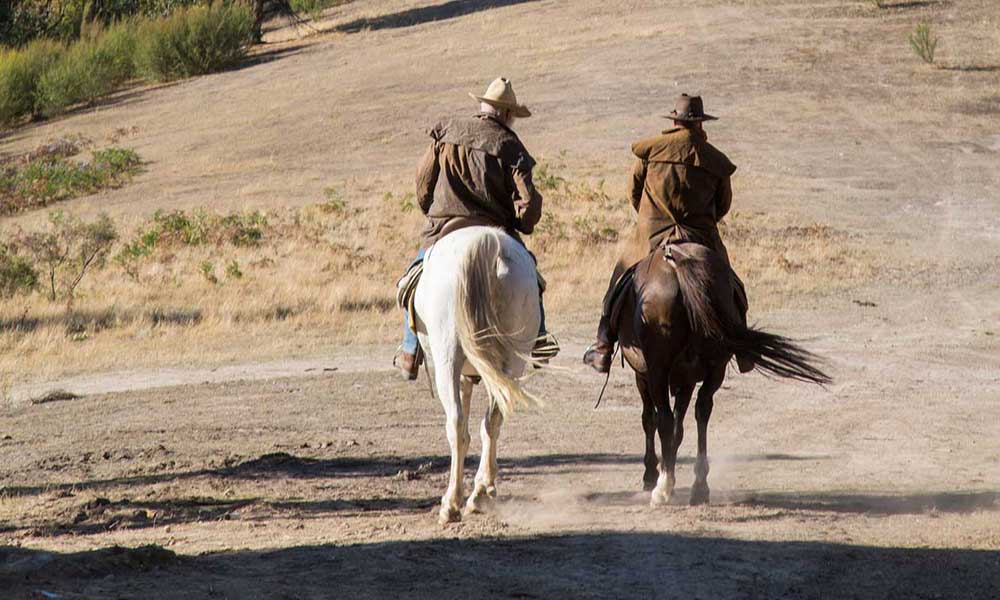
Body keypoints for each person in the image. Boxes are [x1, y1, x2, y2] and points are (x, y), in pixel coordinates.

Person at [394, 77, 558, 380]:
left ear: (482, 106)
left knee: (413, 277)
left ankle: (409, 349)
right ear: (508, 114)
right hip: (498, 231)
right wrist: (524, 223)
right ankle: (540, 340)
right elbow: (529, 201)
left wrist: (430, 210)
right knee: (531, 277)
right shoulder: (510, 146)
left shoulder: (446, 133)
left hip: (446, 226)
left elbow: (422, 182)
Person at [583, 94, 750, 373]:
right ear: (699, 124)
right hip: (700, 236)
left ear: (674, 120)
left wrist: (650, 218)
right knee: (733, 287)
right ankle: (743, 350)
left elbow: (633, 193)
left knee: (619, 278)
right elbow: (723, 205)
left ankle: (603, 345)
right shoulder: (715, 160)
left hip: (652, 233)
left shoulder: (650, 151)